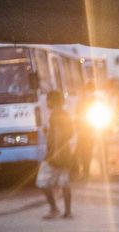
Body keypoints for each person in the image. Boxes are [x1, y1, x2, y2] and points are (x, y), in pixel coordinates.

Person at [36, 91, 74, 220]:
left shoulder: (55, 115)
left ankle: (54, 209)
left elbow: (58, 135)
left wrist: (55, 154)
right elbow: (69, 134)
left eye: (48, 100)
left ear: (52, 101)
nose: (47, 103)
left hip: (55, 156)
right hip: (66, 155)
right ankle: (67, 212)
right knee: (65, 183)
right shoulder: (66, 114)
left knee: (42, 182)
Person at [74, 83, 96, 180]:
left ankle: (86, 170)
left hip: (90, 129)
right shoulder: (82, 101)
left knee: (88, 151)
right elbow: (77, 114)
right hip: (83, 130)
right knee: (83, 151)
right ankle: (84, 170)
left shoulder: (94, 100)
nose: (90, 92)